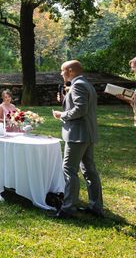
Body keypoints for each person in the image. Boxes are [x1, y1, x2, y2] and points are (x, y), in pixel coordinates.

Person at [52, 60, 103, 219]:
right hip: (86, 133)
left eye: (63, 70)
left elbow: (81, 109)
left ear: (71, 70)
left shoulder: (78, 85)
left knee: (69, 169)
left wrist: (62, 115)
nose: (61, 74)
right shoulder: (85, 83)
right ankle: (96, 207)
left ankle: (68, 208)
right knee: (89, 170)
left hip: (77, 135)